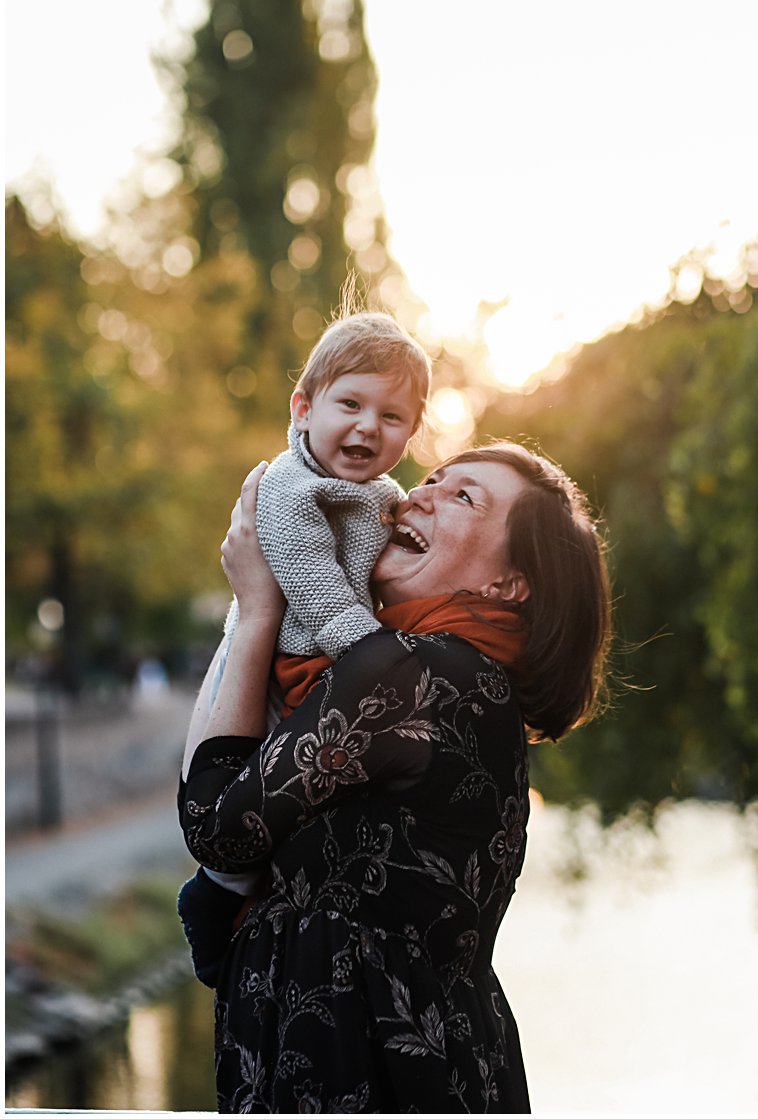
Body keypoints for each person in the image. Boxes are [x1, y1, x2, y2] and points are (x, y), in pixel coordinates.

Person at [179, 441, 612, 1112]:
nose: (419, 494)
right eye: (433, 479)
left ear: (509, 583)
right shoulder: (469, 681)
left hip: (357, 1073)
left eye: (465, 496)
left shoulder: (410, 672)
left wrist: (258, 608)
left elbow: (215, 826)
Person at [180, 310, 432, 960]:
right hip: (297, 652)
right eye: (350, 403)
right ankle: (215, 891)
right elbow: (313, 579)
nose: (368, 426)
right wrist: (371, 649)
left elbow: (389, 545)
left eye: (392, 416)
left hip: (330, 652)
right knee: (266, 771)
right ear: (303, 407)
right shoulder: (291, 489)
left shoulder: (381, 492)